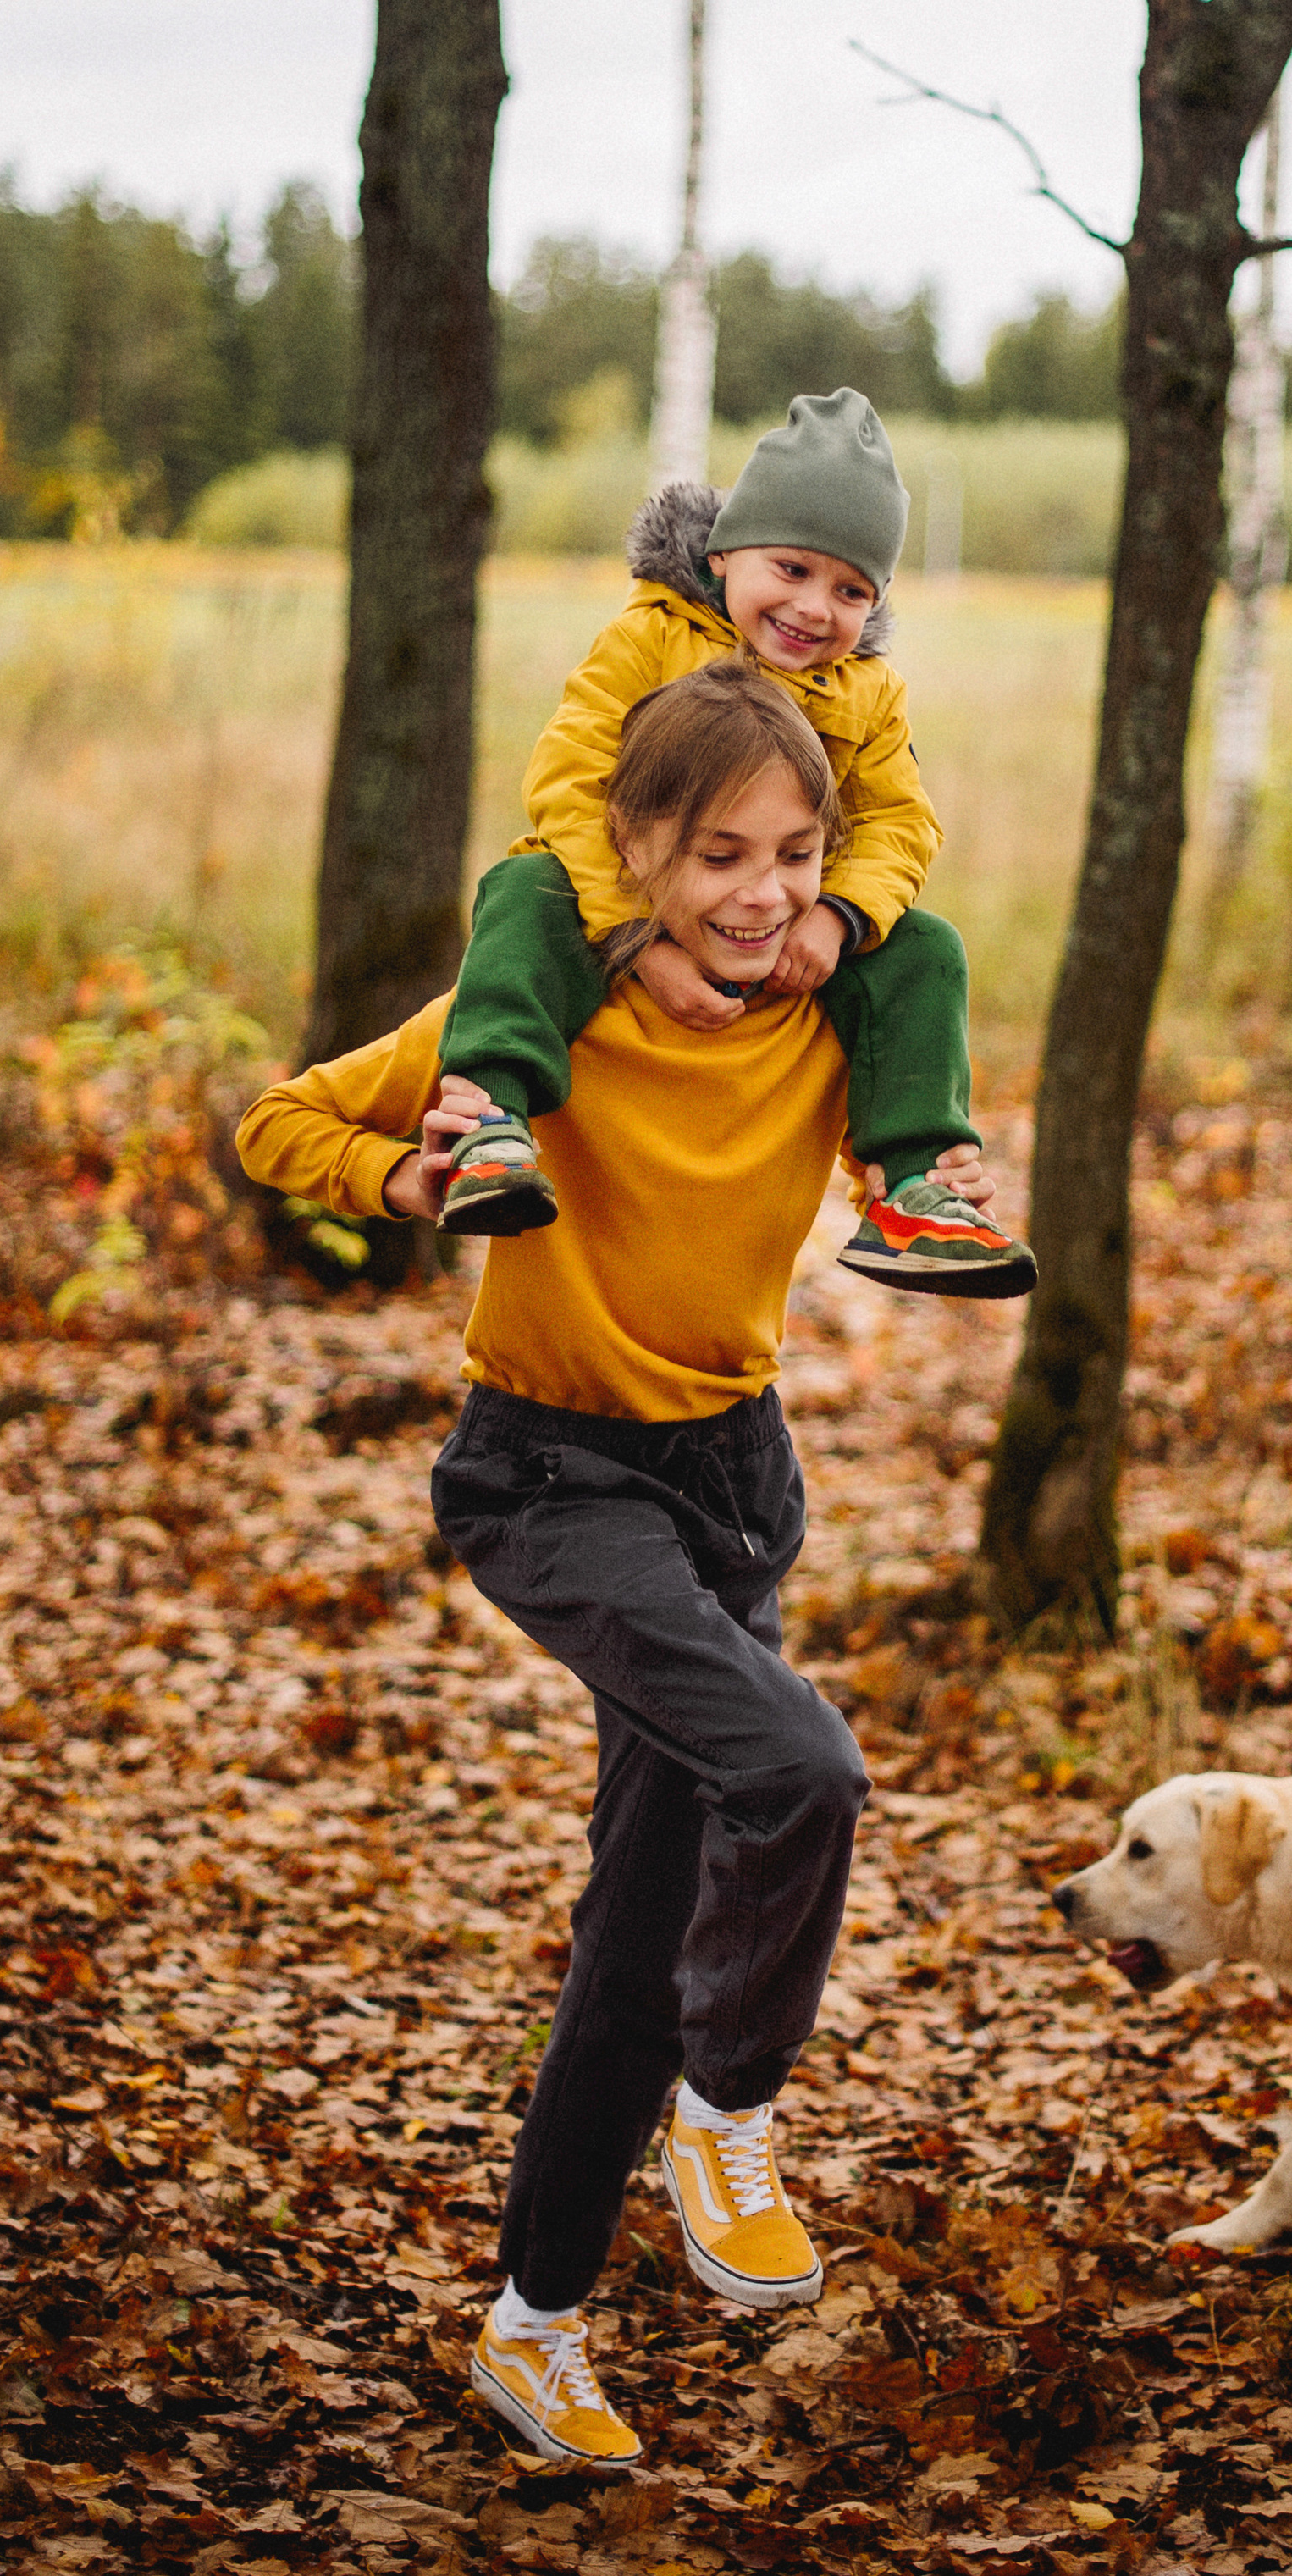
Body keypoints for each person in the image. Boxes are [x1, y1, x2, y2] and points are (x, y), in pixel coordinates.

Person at [235, 661, 1009, 2468]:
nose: (761, 893)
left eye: (795, 852)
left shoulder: (826, 1015)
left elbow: (898, 963)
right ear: (637, 851)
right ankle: (727, 2110)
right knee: (799, 1765)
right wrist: (419, 1187)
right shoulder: (544, 1008)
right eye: (720, 853)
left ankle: (534, 2325)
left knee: (636, 1931)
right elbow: (281, 1123)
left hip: (733, 1485)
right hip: (551, 1479)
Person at [433, 384, 1035, 1300]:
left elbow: (899, 822)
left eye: (849, 589)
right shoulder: (649, 640)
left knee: (924, 950)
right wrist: (639, 937)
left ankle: (913, 1184)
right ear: (721, 556)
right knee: (522, 892)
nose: (813, 607)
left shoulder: (865, 694)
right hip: (627, 903)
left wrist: (836, 915)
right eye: (790, 569)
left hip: (779, 922)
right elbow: (569, 777)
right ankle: (488, 1121)